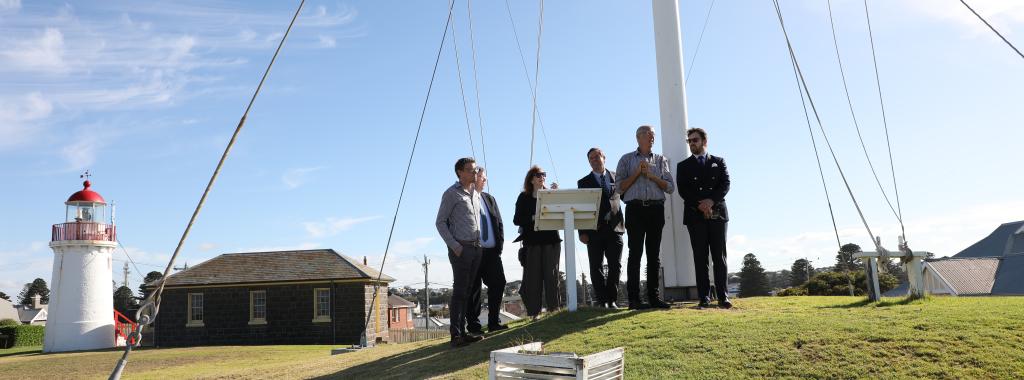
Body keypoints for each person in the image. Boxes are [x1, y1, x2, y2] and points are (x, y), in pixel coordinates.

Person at [615, 125, 675, 310]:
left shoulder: (661, 160)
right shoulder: (626, 159)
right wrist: (637, 173)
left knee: (653, 255)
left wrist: (652, 176)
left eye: (653, 135)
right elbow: (619, 187)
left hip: (656, 209)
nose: (652, 138)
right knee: (635, 254)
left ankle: (654, 297)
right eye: (648, 135)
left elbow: (670, 187)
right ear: (638, 138)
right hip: (635, 209)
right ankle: (634, 299)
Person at [676, 128, 732, 309]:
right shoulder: (683, 166)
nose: (692, 143)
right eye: (689, 141)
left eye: (695, 140)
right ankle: (704, 297)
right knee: (700, 258)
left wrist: (710, 201)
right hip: (695, 215)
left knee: (719, 257)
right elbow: (683, 190)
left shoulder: (718, 162)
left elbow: (725, 184)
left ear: (704, 141)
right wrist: (700, 204)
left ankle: (723, 296)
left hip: (718, 214)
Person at [435, 157, 485, 347]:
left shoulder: (475, 193)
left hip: (476, 247)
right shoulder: (451, 194)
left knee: (469, 290)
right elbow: (440, 222)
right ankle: (456, 335)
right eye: (471, 170)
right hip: (461, 249)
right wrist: (455, 246)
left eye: (475, 169)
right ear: (460, 172)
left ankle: (463, 332)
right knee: (460, 291)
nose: (474, 173)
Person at [577, 147, 625, 309]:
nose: (594, 160)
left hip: (615, 228)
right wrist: (582, 232)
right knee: (596, 266)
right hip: (594, 231)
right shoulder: (583, 183)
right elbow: (580, 208)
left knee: (615, 266)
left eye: (597, 157)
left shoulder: (617, 177)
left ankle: (611, 299)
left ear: (604, 157)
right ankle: (601, 300)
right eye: (591, 158)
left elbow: (624, 196)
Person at [513, 166, 561, 320]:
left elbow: (561, 212)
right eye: (538, 175)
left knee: (552, 277)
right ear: (531, 179)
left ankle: (554, 310)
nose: (542, 177)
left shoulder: (550, 195)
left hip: (551, 241)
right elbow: (517, 219)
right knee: (533, 279)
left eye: (544, 175)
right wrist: (534, 217)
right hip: (532, 243)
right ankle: (534, 313)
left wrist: (557, 195)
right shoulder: (523, 197)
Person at [466, 167, 509, 334]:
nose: (485, 180)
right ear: (475, 176)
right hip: (474, 252)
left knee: (499, 283)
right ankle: (474, 326)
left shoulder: (489, 199)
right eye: (483, 177)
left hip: (492, 253)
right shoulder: (465, 198)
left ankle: (494, 322)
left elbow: (499, 223)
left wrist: (499, 247)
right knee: (474, 289)